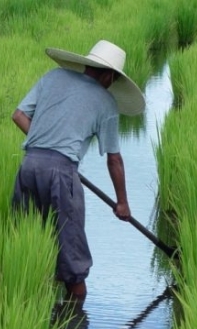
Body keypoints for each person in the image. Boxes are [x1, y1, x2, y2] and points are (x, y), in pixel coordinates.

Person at [11, 40, 145, 302]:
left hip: (29, 165)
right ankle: (74, 328)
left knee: (27, 241)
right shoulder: (106, 102)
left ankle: (31, 306)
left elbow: (18, 116)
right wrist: (122, 203)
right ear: (109, 75)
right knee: (74, 265)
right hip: (61, 174)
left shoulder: (53, 76)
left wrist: (46, 143)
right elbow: (114, 159)